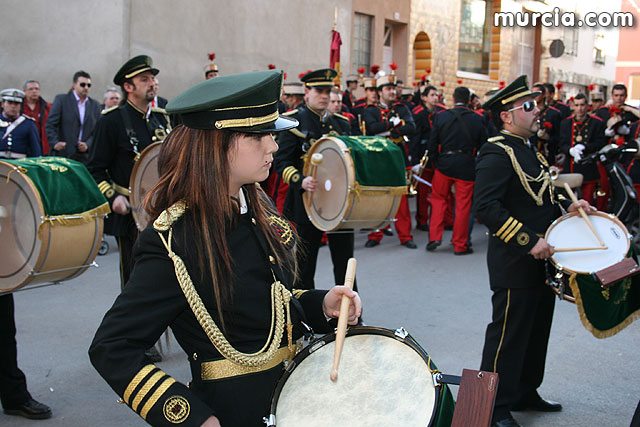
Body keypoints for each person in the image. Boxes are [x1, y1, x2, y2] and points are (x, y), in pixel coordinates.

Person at [89, 69, 362, 427]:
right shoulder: (173, 240)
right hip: (235, 413)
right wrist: (191, 418)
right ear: (216, 146)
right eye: (259, 136)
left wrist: (320, 303)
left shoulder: (256, 209)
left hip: (295, 397)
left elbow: (261, 299)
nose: (274, 147)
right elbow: (112, 347)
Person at [475, 75, 592, 427]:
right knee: (508, 335)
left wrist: (567, 210)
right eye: (528, 106)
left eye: (536, 105)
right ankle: (492, 407)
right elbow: (487, 207)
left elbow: (541, 198)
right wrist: (528, 240)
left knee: (537, 328)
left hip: (543, 259)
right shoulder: (497, 151)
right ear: (507, 115)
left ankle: (525, 390)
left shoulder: (528, 149)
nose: (537, 111)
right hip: (516, 259)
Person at [87, 55, 172, 294]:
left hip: (166, 209)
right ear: (128, 87)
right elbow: (95, 169)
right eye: (144, 79)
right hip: (133, 214)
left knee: (169, 278)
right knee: (137, 281)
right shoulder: (111, 121)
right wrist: (114, 197)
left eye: (153, 78)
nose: (152, 83)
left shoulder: (162, 118)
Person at [273, 68, 355, 290]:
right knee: (305, 266)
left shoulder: (342, 123)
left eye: (328, 91)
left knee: (345, 263)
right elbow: (281, 162)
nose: (325, 96)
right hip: (306, 202)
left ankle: (351, 314)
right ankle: (304, 314)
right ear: (307, 92)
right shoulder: (293, 121)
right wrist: (301, 180)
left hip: (339, 201)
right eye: (319, 91)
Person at [426, 86, 487, 255]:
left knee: (438, 200)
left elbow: (432, 144)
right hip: (467, 165)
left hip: (444, 162)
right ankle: (460, 244)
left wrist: (435, 162)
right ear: (469, 100)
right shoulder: (477, 119)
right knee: (463, 206)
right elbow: (484, 145)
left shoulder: (441, 116)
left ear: (453, 99)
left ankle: (434, 238)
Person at [362, 72, 417, 249]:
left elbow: (411, 127)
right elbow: (372, 128)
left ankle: (405, 236)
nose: (392, 92)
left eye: (393, 88)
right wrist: (393, 124)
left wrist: (390, 132)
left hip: (397, 157)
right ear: (380, 92)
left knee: (400, 197)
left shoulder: (402, 108)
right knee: (377, 197)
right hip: (378, 158)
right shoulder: (370, 110)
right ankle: (375, 234)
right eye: (388, 89)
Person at [558, 93, 606, 205]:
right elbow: (561, 143)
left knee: (587, 201)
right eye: (577, 105)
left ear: (587, 106)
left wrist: (585, 147)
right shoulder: (566, 123)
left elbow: (600, 142)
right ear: (572, 106)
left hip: (588, 169)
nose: (579, 108)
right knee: (568, 202)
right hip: (570, 168)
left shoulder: (596, 123)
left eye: (582, 105)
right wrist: (570, 150)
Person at [46, 70, 102, 162]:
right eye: (83, 84)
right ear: (74, 85)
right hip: (64, 152)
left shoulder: (95, 105)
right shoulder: (62, 100)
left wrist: (88, 144)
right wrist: (55, 143)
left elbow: (97, 130)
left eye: (89, 85)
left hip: (84, 156)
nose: (86, 87)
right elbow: (50, 124)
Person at [0, 88, 41, 158]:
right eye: (9, 103)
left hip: (19, 165)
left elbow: (35, 150)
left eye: (16, 104)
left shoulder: (28, 124)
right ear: (3, 104)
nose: (13, 106)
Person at [21, 80, 50, 154]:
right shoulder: (19, 106)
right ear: (24, 91)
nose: (34, 91)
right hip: (23, 144)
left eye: (36, 89)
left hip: (42, 144)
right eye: (31, 89)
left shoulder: (47, 107)